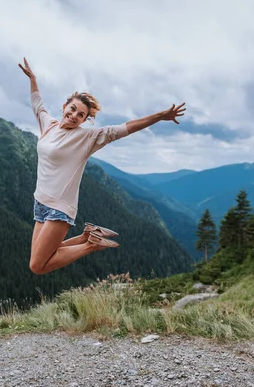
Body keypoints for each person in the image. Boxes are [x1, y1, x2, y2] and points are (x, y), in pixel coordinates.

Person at [19, 58, 185, 275]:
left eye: (81, 115)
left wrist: (159, 116)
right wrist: (33, 79)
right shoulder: (48, 126)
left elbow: (123, 129)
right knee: (42, 255)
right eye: (73, 109)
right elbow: (37, 103)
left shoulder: (87, 137)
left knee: (37, 266)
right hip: (39, 202)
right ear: (64, 106)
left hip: (59, 208)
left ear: (85, 120)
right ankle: (89, 235)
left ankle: (91, 245)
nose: (74, 116)